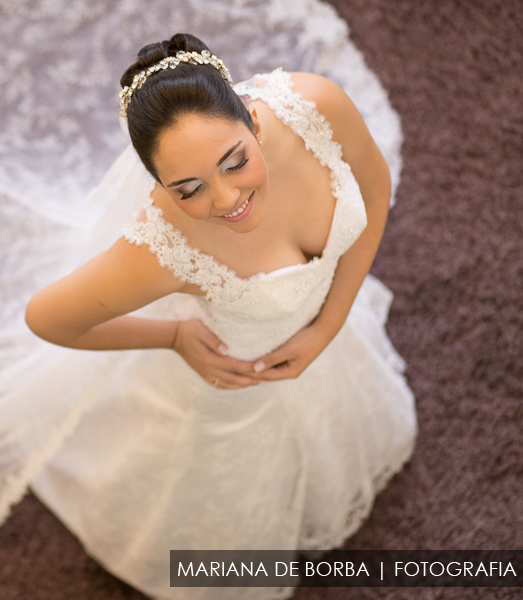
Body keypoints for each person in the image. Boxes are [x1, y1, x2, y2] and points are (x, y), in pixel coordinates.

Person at [23, 33, 417, 599]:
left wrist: (329, 324)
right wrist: (175, 336)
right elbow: (47, 319)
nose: (227, 199)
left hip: (328, 338)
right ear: (157, 188)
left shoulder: (316, 107)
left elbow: (375, 192)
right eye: (189, 189)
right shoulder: (161, 250)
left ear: (255, 121)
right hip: (235, 388)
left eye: (234, 161)